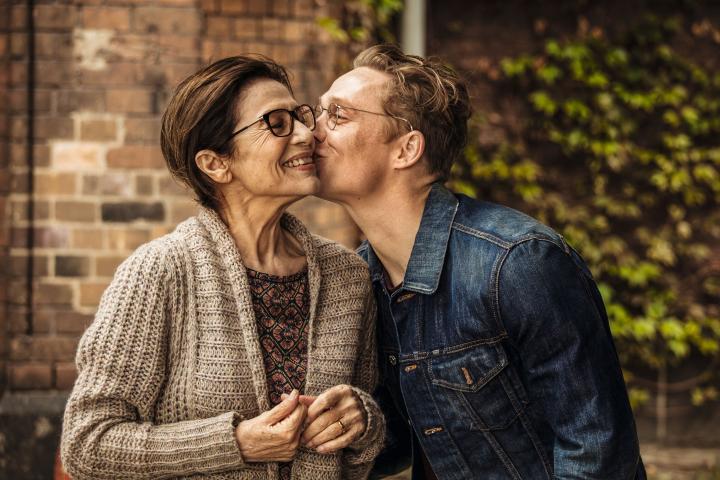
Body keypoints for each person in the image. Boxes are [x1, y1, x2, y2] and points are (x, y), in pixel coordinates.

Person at [312, 44, 646, 479]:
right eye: (316, 113)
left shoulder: (518, 264)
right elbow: (412, 439)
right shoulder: (362, 280)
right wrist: (359, 421)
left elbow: (597, 456)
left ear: (406, 149)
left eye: (337, 115)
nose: (311, 132)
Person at [61, 55, 384, 480]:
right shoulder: (160, 272)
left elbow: (366, 443)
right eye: (277, 122)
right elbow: (87, 445)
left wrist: (362, 420)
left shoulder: (348, 276)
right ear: (216, 163)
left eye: (300, 116)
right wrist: (236, 444)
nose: (307, 134)